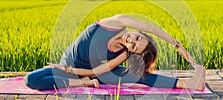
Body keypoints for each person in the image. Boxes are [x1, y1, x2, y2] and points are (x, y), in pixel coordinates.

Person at [24, 14, 206, 91]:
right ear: (138, 33)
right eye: (137, 38)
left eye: (134, 47)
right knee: (30, 80)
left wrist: (87, 77)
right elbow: (152, 27)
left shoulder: (123, 54)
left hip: (90, 73)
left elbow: (96, 72)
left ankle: (188, 83)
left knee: (137, 76)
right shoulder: (116, 23)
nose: (132, 42)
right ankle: (81, 84)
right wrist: (177, 44)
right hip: (68, 68)